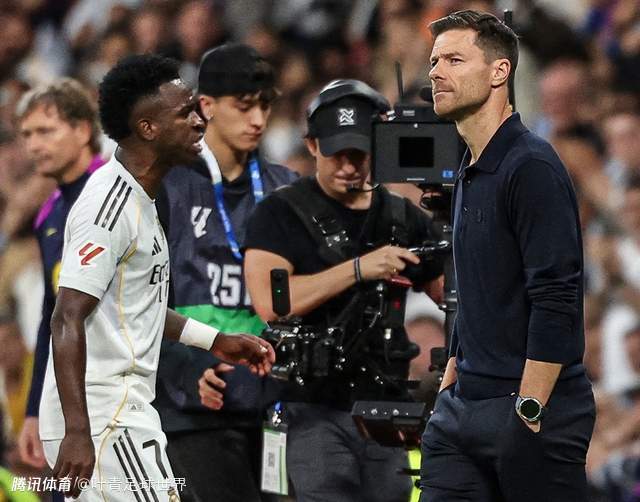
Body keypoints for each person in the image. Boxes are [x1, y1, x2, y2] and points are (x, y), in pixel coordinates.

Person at [38, 54, 275, 501]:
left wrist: (216, 341)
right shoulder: (108, 208)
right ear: (148, 128)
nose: (200, 120)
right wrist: (78, 430)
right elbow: (65, 317)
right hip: (105, 416)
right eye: (185, 112)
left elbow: (135, 307)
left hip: (116, 413)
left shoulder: (143, 199)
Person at [420, 10, 595, 502]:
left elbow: (557, 296)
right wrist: (450, 383)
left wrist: (530, 408)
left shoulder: (531, 165)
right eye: (434, 61)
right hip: (463, 411)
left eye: (454, 60)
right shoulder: (470, 168)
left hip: (528, 408)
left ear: (500, 72)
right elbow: (478, 288)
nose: (436, 72)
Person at [243, 79, 444, 502]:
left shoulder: (401, 217)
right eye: (337, 153)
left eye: (359, 153)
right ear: (312, 145)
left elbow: (448, 294)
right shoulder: (279, 213)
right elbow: (273, 304)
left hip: (385, 405)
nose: (348, 166)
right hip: (310, 405)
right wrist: (358, 269)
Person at [154, 43, 296, 502]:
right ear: (207, 106)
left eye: (265, 106)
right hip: (193, 406)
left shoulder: (286, 189)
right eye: (244, 105)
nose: (258, 119)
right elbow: (141, 301)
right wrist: (185, 369)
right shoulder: (167, 187)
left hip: (272, 405)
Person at [14, 79, 105, 481]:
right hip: (68, 393)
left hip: (120, 389)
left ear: (83, 130)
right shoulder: (48, 214)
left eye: (45, 131)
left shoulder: (117, 194)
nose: (34, 145)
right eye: (27, 134)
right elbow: (50, 316)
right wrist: (34, 409)